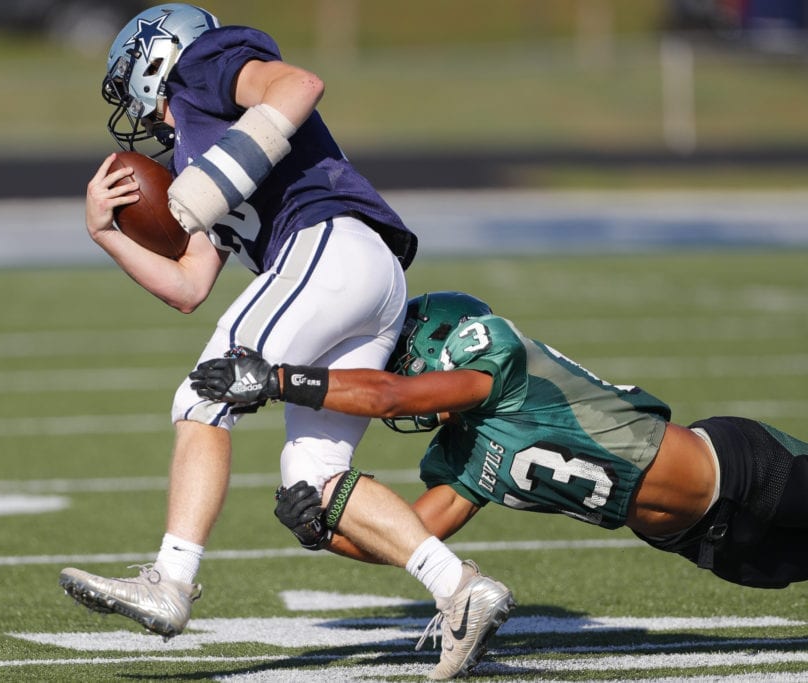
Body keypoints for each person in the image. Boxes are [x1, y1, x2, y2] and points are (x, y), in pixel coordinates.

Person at [57, 6, 514, 679]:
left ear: (157, 60)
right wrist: (109, 235)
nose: (142, 115)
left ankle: (172, 578)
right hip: (355, 276)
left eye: (134, 89)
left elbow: (298, 86)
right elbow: (189, 286)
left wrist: (213, 179)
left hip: (330, 247)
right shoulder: (205, 153)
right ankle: (460, 588)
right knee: (316, 477)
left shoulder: (203, 64)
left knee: (203, 393)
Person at [190, 290, 808, 590]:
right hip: (700, 539)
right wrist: (328, 535)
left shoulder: (493, 360)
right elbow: (413, 536)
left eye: (408, 361)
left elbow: (390, 395)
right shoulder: (459, 451)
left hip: (743, 469)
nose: (406, 376)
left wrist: (276, 380)